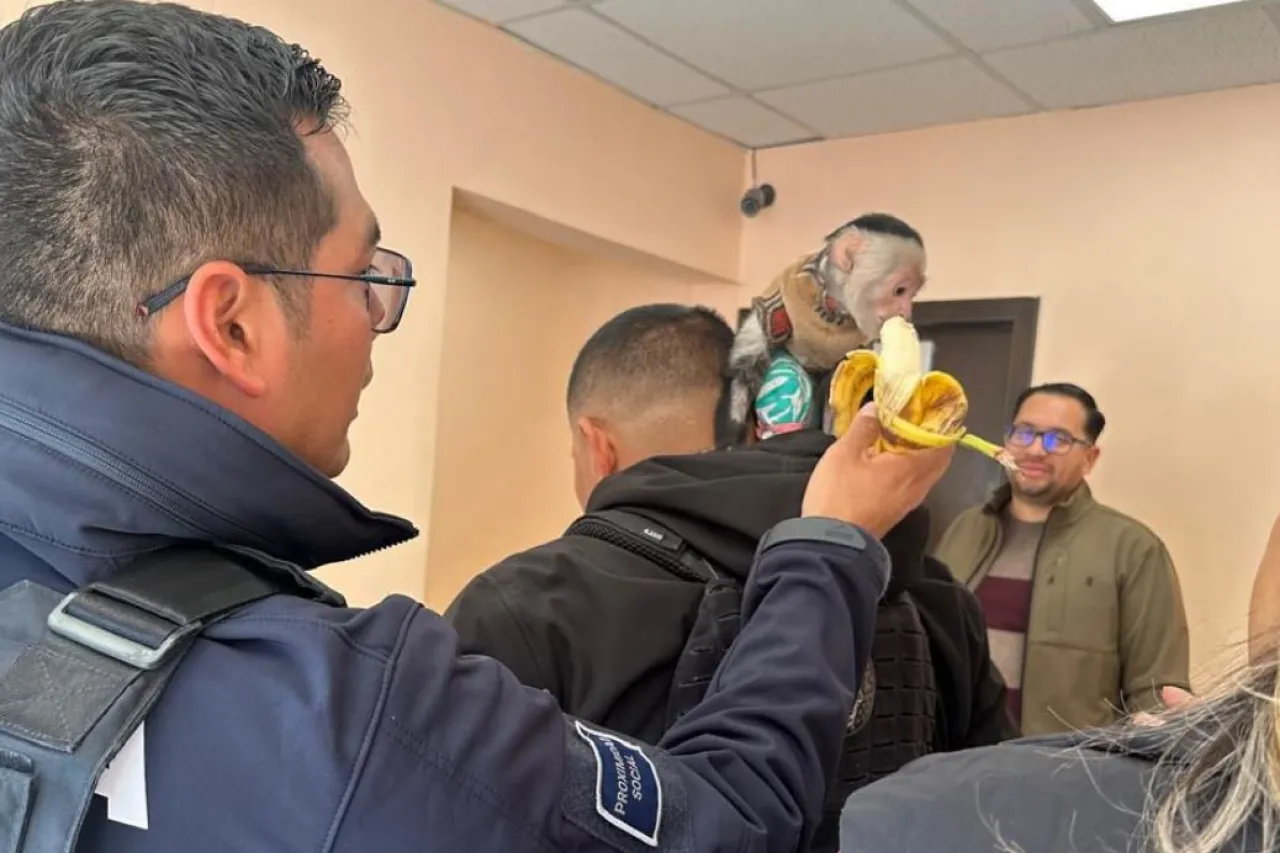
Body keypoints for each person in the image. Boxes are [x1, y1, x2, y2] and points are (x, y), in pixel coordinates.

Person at [0, 3, 956, 852]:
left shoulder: (515, 609)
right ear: (234, 325)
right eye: (363, 273)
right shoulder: (359, 718)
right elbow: (727, 817)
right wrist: (829, 541)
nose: (378, 318)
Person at [447, 303, 1013, 853]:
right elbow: (995, 815)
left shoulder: (526, 606)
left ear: (598, 445)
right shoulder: (931, 593)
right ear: (746, 426)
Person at [839, 645, 1275, 853]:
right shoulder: (970, 533)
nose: (1032, 456)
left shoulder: (1130, 548)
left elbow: (1154, 679)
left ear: (1090, 460)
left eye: (1053, 452)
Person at [935, 382, 1190, 735]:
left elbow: (1155, 692)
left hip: (1061, 776)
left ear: (1090, 458)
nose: (1036, 450)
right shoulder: (964, 529)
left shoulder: (1134, 549)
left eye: (1059, 439)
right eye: (1024, 433)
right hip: (953, 766)